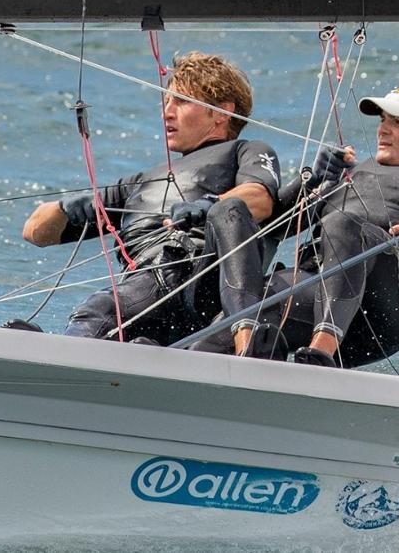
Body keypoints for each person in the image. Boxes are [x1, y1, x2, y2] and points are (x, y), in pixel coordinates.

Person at [22, 52, 280, 354]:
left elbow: (259, 198)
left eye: (181, 102)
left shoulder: (245, 151)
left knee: (103, 307)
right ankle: (73, 353)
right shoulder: (139, 182)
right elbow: (35, 233)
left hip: (200, 278)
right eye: (166, 102)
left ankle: (60, 356)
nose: (166, 113)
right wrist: (63, 209)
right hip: (144, 287)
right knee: (114, 306)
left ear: (221, 112)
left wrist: (210, 204)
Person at [247, 77, 399, 368]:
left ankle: (321, 354)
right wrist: (310, 182)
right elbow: (270, 228)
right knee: (251, 307)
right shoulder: (348, 175)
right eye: (383, 120)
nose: (383, 129)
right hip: (319, 289)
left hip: (384, 308)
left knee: (344, 223)